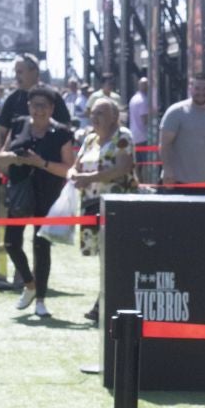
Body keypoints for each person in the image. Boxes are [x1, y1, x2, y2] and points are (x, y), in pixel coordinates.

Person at [0, 84, 76, 318]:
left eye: (43, 106)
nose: (38, 110)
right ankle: (29, 284)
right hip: (20, 190)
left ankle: (41, 299)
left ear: (51, 109)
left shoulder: (61, 133)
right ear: (28, 106)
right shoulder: (19, 123)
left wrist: (42, 163)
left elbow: (69, 169)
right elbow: (1, 156)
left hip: (47, 192)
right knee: (11, 242)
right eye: (34, 105)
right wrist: (15, 159)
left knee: (42, 245)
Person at [70, 94, 137, 323]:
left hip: (118, 207)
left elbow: (122, 167)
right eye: (93, 113)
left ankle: (107, 304)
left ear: (115, 116)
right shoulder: (89, 140)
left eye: (101, 113)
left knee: (116, 256)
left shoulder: (123, 136)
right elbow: (75, 166)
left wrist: (89, 177)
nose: (95, 117)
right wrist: (74, 175)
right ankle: (106, 302)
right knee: (103, 258)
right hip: (92, 205)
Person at [156, 73, 205, 191]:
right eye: (197, 88)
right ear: (190, 88)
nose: (201, 92)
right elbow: (164, 144)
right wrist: (167, 170)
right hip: (175, 181)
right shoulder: (176, 112)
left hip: (204, 183)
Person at [127, 75, 150, 146]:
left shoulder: (133, 98)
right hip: (143, 137)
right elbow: (145, 120)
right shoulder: (143, 100)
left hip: (134, 136)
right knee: (147, 156)